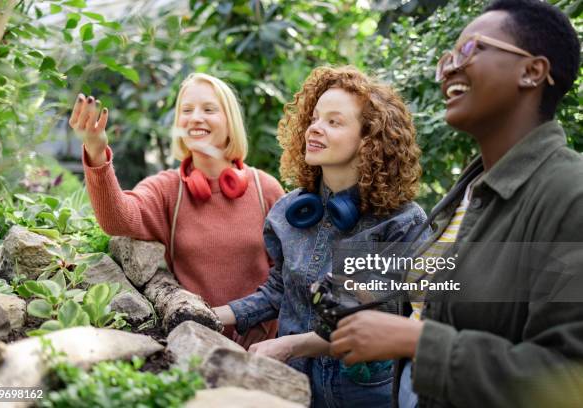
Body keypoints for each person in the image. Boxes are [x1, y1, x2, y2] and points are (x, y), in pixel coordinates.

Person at [329, 1, 583, 407]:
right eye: (448, 57)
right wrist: (374, 298)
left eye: (471, 50)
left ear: (532, 71)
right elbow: (453, 304)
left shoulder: (571, 194)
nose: (449, 68)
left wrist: (418, 342)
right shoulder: (469, 193)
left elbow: (569, 380)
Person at [214, 66, 429, 407]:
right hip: (293, 385)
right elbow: (279, 292)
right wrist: (212, 314)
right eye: (314, 118)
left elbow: (386, 319)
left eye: (334, 121)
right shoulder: (288, 212)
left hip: (365, 394)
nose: (315, 128)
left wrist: (290, 344)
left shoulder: (403, 223)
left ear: (368, 140)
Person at [68, 73, 284, 345]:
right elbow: (117, 219)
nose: (195, 117)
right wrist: (96, 152)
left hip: (263, 349)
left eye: (208, 109)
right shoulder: (168, 189)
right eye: (187, 110)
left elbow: (289, 276)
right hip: (194, 344)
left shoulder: (266, 188)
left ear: (230, 122)